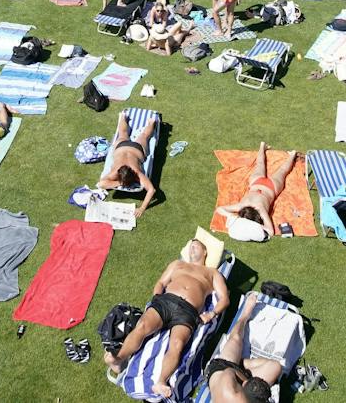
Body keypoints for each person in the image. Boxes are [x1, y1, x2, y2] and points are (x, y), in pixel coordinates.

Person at [105, 239, 230, 399]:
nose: (192, 248)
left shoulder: (212, 273)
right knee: (142, 325)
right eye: (190, 246)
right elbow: (161, 282)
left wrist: (211, 314)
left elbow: (225, 299)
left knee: (177, 344)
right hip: (165, 301)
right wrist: (156, 297)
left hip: (188, 311)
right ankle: (119, 359)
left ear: (205, 252)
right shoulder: (178, 264)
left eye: (196, 246)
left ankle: (161, 381)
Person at [202, 292, 303, 403]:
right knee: (275, 367)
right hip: (236, 376)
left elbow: (229, 370)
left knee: (235, 338)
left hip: (222, 368)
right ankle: (243, 363)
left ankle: (245, 314)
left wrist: (246, 380)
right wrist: (248, 380)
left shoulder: (228, 388)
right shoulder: (234, 393)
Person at [215, 142, 299, 238]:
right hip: (256, 183)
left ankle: (292, 155)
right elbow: (220, 209)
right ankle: (262, 146)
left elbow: (270, 231)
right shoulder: (242, 206)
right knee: (260, 164)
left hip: (271, 188)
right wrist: (231, 215)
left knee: (283, 171)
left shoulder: (260, 209)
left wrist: (256, 226)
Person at [97, 110, 159, 217]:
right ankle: (151, 122)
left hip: (124, 147)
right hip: (133, 149)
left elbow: (101, 183)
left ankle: (122, 117)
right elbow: (150, 189)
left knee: (123, 133)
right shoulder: (136, 172)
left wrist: (142, 208)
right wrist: (120, 183)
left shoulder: (119, 172)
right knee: (144, 135)